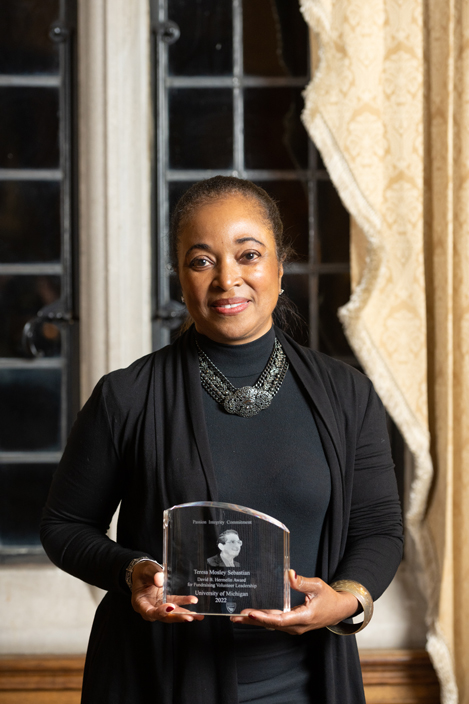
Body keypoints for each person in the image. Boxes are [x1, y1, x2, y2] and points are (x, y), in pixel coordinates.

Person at [40, 176, 403, 704]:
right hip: (157, 680)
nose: (227, 279)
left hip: (308, 682)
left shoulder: (348, 395)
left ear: (280, 268)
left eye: (249, 255)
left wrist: (346, 601)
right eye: (201, 260)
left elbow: (379, 530)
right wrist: (133, 571)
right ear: (180, 279)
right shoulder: (127, 396)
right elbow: (64, 525)